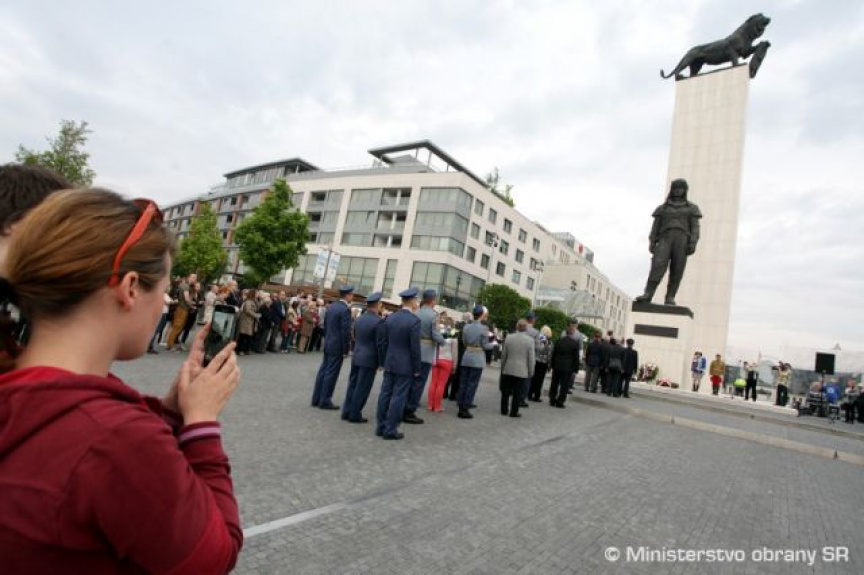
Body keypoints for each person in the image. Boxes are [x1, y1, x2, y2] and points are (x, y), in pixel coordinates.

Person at [0, 189, 242, 572]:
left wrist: (170, 413)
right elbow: (212, 558)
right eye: (163, 290)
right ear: (130, 289)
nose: (163, 304)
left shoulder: (19, 382)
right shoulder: (117, 437)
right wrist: (202, 425)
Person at [634, 178, 702, 305]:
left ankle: (670, 296)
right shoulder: (663, 208)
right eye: (675, 188)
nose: (678, 191)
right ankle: (648, 293)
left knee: (677, 268)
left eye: (680, 188)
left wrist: (693, 242)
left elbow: (695, 228)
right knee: (657, 265)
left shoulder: (692, 208)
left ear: (685, 190)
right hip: (665, 238)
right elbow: (655, 226)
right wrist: (652, 241)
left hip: (682, 239)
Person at [376, 288, 421, 440]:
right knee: (399, 397)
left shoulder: (391, 318)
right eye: (416, 300)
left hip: (390, 361)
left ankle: (381, 426)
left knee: (385, 394)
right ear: (412, 301)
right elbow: (415, 348)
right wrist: (417, 368)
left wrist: (383, 360)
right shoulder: (414, 321)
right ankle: (390, 429)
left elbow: (383, 342)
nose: (417, 303)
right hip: (405, 364)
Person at [341, 292, 385, 423]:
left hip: (357, 355)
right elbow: (380, 344)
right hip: (370, 358)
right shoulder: (379, 321)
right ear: (378, 304)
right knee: (363, 387)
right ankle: (355, 414)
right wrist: (382, 362)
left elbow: (354, 336)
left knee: (353, 385)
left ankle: (346, 411)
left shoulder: (359, 319)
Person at [405, 289, 446, 424]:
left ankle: (403, 405)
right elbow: (435, 334)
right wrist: (444, 341)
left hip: (413, 350)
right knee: (419, 383)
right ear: (433, 300)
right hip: (426, 352)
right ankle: (410, 411)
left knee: (410, 381)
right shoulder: (434, 315)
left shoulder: (415, 312)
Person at [311, 286, 354, 410]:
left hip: (329, 342)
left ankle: (316, 398)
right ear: (347, 295)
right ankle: (325, 400)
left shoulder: (332, 307)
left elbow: (326, 325)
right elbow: (345, 332)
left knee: (323, 370)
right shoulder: (345, 310)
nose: (352, 296)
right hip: (337, 345)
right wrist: (345, 349)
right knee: (331, 373)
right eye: (352, 294)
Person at [457, 305, 494, 419]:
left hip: (466, 356)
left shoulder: (466, 327)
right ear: (482, 315)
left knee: (463, 382)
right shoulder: (484, 329)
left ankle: (460, 405)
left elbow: (464, 341)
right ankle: (465, 407)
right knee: (472, 384)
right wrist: (493, 345)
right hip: (477, 358)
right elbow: (485, 345)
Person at [498, 319, 534, 418]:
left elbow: (504, 355)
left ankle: (504, 410)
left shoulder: (509, 337)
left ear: (516, 327)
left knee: (505, 391)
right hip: (522, 370)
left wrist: (503, 367)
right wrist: (531, 371)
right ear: (526, 328)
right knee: (517, 392)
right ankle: (514, 412)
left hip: (508, 368)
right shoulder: (530, 340)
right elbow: (531, 359)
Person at [548, 323, 581, 408]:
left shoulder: (558, 342)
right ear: (572, 333)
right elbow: (576, 358)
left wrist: (552, 365)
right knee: (564, 385)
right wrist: (576, 369)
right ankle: (560, 401)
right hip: (568, 367)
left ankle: (552, 399)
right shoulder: (575, 344)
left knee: (554, 383)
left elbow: (554, 354)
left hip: (557, 365)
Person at [429, 324, 458, 413]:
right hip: (447, 361)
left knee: (433, 382)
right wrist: (454, 366)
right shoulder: (453, 339)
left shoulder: (437, 336)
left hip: (436, 359)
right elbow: (455, 354)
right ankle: (437, 406)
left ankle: (430, 405)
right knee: (441, 384)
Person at [166, 272, 196, 351]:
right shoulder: (185, 286)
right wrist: (192, 306)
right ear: (188, 277)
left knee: (179, 327)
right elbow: (186, 299)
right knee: (177, 326)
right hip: (182, 309)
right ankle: (170, 345)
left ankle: (171, 343)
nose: (194, 279)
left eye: (195, 278)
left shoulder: (186, 286)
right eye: (193, 277)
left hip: (183, 309)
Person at [528, 325, 552, 402]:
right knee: (540, 380)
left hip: (536, 360)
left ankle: (530, 394)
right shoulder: (546, 340)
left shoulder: (538, 338)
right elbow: (548, 353)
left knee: (534, 378)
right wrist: (549, 364)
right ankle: (536, 396)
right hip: (543, 362)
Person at [237, 289, 260, 356]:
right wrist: (256, 315)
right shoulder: (248, 301)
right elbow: (247, 310)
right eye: (256, 293)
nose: (257, 294)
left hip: (251, 321)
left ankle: (246, 349)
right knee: (243, 335)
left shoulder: (254, 301)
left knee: (248, 336)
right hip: (246, 320)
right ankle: (240, 350)